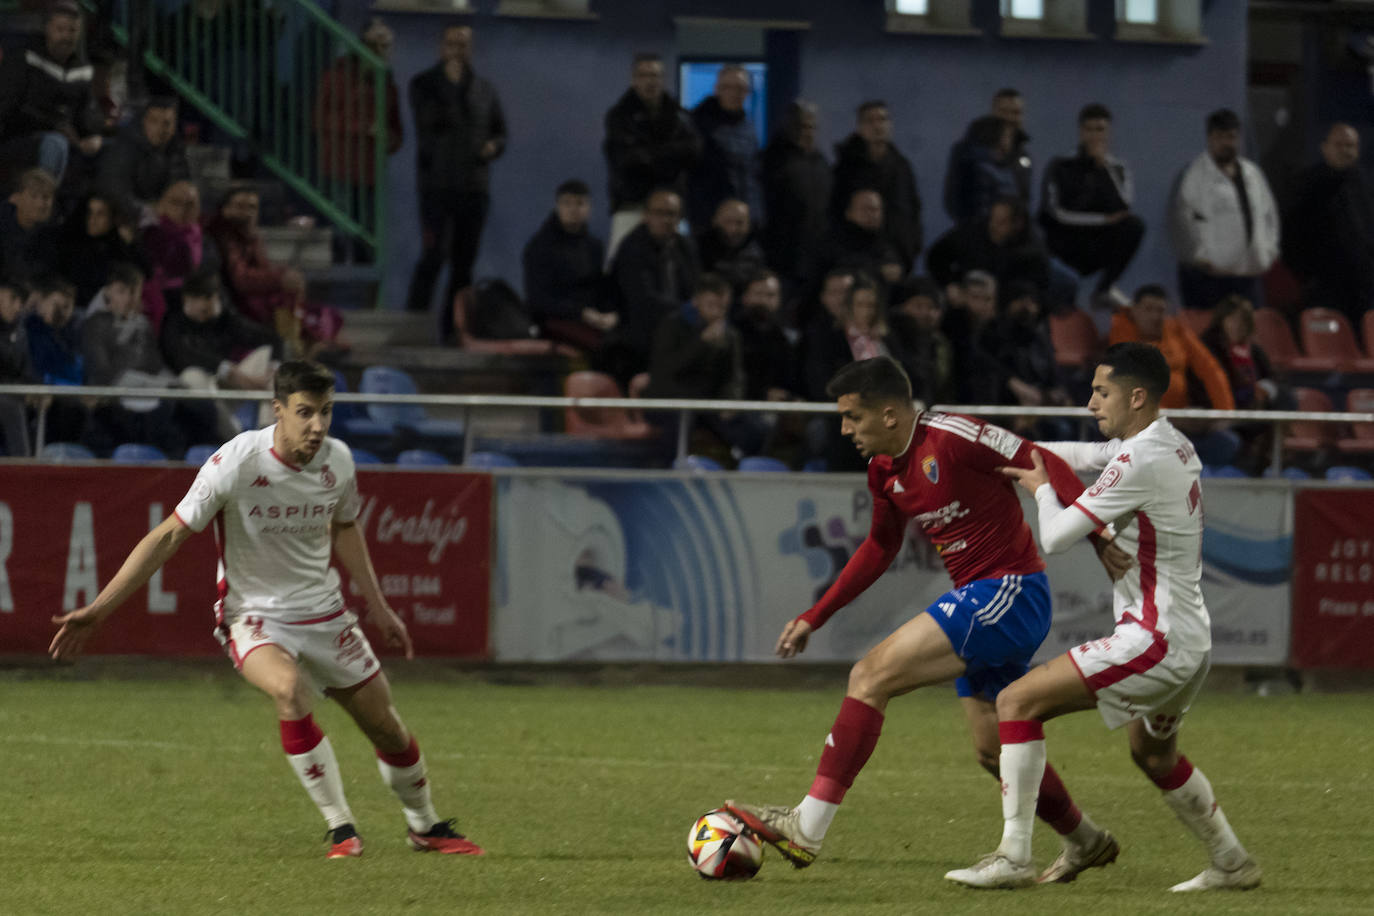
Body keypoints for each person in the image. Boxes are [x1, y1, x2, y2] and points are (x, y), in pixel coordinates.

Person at [50, 360, 486, 860]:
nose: (317, 425)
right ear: (278, 410)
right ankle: (342, 828)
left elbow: (345, 528)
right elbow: (170, 534)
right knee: (288, 689)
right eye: (304, 412)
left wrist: (380, 607)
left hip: (324, 613)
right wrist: (100, 609)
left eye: (326, 412)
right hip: (253, 616)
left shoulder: (338, 462)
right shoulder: (237, 462)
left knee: (385, 724)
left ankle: (424, 825)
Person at [725, 356, 1121, 873]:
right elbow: (879, 547)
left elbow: (1045, 463)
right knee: (991, 747)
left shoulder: (952, 435)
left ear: (890, 413)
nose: (845, 430)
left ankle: (808, 826)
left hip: (1010, 591)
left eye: (852, 417)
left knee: (869, 675)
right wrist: (814, 615)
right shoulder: (883, 470)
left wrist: (1098, 536)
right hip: (988, 599)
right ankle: (1086, 840)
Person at [946, 342, 1261, 892]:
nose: (1091, 402)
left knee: (1015, 702)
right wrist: (1003, 450)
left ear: (1136, 396)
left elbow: (1058, 535)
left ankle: (1014, 855)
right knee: (1154, 754)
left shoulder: (1141, 459)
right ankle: (1232, 863)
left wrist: (1041, 489)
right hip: (1190, 639)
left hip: (1153, 638)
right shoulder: (1171, 444)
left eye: (1102, 391)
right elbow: (1075, 453)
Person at [405, 24, 507, 332]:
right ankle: (414, 326)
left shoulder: (485, 89)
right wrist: (453, 86)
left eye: (463, 44)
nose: (457, 50)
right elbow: (429, 122)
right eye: (451, 43)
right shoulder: (424, 84)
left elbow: (500, 131)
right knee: (433, 256)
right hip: (436, 186)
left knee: (464, 265)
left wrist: (494, 146)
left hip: (474, 188)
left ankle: (454, 330)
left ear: (470, 48)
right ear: (441, 47)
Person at [207, 185, 344, 354]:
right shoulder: (223, 233)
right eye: (240, 206)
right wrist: (280, 278)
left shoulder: (250, 235)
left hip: (255, 298)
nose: (247, 212)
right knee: (284, 300)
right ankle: (299, 348)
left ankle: (312, 345)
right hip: (234, 302)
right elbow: (241, 280)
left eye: (252, 207)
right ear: (225, 209)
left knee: (324, 312)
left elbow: (263, 269)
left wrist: (282, 276)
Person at [1170, 109, 1279, 312]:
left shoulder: (1252, 174)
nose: (1226, 143)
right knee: (1209, 337)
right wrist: (1199, 257)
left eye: (1231, 137)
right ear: (1209, 138)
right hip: (1209, 277)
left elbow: (1269, 216)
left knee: (1247, 336)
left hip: (1248, 274)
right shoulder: (1194, 175)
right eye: (1220, 137)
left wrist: (1269, 251)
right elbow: (1182, 222)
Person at [1039, 103, 1144, 309]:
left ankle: (1104, 289)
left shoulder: (1118, 168)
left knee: (1134, 225)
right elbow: (1055, 213)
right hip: (1065, 241)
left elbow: (1123, 207)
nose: (1095, 136)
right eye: (1089, 130)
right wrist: (1101, 220)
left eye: (1101, 130)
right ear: (1081, 132)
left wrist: (1103, 169)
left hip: (1098, 244)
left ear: (1108, 133)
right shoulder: (1060, 165)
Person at [313, 17, 403, 252]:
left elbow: (396, 130)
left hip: (371, 174)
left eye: (387, 47)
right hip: (339, 169)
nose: (382, 52)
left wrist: (389, 138)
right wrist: (363, 127)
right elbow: (320, 119)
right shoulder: (336, 76)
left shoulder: (387, 84)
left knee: (369, 241)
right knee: (338, 237)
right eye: (377, 46)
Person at [602, 52, 701, 261]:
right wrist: (670, 156)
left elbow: (693, 153)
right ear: (634, 80)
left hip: (672, 207)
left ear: (663, 79)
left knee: (678, 267)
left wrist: (650, 154)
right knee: (622, 268)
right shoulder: (619, 117)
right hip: (632, 204)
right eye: (644, 75)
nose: (650, 81)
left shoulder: (680, 116)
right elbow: (628, 161)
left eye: (655, 76)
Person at [1282, 122, 1374, 340]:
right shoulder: (1307, 185)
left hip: (1364, 291)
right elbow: (1291, 236)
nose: (1346, 151)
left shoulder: (1364, 185)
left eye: (1351, 146)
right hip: (1325, 291)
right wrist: (1308, 277)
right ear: (1325, 147)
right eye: (1339, 145)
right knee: (1329, 343)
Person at [602, 187, 699, 385]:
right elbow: (643, 301)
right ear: (646, 216)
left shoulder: (685, 247)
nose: (666, 220)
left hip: (679, 329)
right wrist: (688, 311)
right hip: (637, 335)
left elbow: (696, 288)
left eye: (671, 214)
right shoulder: (632, 248)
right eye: (659, 213)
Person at [0, 0, 103, 183]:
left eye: (72, 31)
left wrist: (92, 136)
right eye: (60, 29)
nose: (66, 37)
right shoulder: (24, 58)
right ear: (47, 29)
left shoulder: (81, 69)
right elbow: (9, 107)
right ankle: (43, 201)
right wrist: (55, 126)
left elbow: (87, 112)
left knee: (108, 149)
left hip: (65, 138)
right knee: (55, 143)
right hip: (21, 137)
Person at [1108, 284, 1235, 412]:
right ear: (1134, 310)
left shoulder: (1177, 330)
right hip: (1139, 418)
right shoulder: (1120, 332)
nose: (1155, 316)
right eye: (1148, 309)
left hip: (1181, 417)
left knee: (1225, 433)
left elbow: (1210, 368)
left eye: (1160, 310)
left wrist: (1225, 413)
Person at [830, 101, 923, 273]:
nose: (878, 126)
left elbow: (913, 209)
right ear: (859, 128)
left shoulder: (901, 167)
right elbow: (835, 213)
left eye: (882, 119)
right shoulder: (846, 168)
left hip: (900, 257)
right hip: (859, 259)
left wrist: (911, 249)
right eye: (870, 121)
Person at [522, 178, 614, 352]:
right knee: (605, 346)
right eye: (567, 203)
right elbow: (538, 300)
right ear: (557, 207)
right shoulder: (539, 247)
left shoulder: (594, 246)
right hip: (551, 320)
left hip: (588, 317)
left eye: (580, 204)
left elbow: (600, 287)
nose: (573, 209)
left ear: (589, 209)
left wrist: (610, 313)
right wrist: (581, 313)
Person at [760, 100, 831, 291]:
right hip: (783, 256)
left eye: (811, 127)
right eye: (801, 126)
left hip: (815, 256)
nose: (807, 132)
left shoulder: (820, 162)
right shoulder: (773, 160)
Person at [687, 66, 762, 232]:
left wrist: (755, 216)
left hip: (745, 222)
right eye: (728, 87)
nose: (735, 93)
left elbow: (752, 176)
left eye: (741, 88)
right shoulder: (698, 126)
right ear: (717, 89)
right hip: (710, 223)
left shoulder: (748, 129)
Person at [94, 97, 190, 221]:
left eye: (167, 123)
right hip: (122, 218)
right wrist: (150, 211)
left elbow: (180, 183)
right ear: (144, 121)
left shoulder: (175, 148)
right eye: (154, 121)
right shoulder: (125, 146)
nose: (160, 129)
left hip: (160, 215)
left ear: (174, 126)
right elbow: (116, 193)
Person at [56, 192, 140, 312]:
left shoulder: (119, 249)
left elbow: (141, 272)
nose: (92, 219)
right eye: (89, 213)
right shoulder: (71, 241)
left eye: (100, 214)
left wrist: (127, 244)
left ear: (112, 219)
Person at [0, 168, 59, 285]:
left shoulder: (53, 233)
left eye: (46, 197)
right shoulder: (3, 221)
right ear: (16, 198)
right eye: (33, 196)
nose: (40, 204)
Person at [695, 198, 766, 293]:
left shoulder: (755, 253)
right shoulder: (698, 248)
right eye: (727, 221)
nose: (733, 229)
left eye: (739, 223)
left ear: (749, 225)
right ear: (715, 221)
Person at [0, 279, 37, 456]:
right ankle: (24, 465)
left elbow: (27, 370)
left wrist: (33, 391)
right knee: (10, 407)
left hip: (13, 391)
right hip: (5, 393)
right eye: (11, 299)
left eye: (18, 301)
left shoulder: (21, 332)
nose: (15, 306)